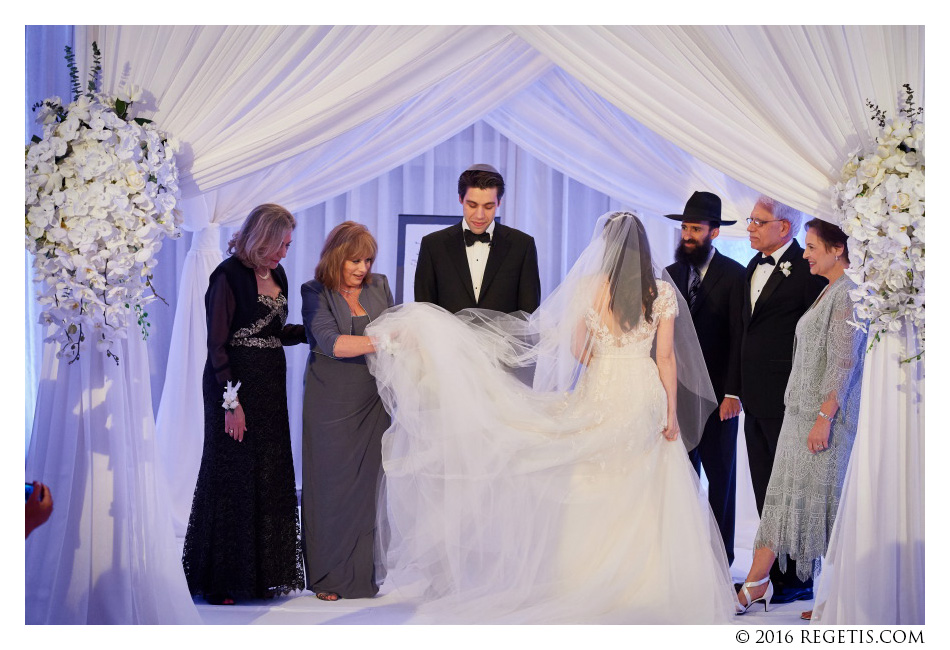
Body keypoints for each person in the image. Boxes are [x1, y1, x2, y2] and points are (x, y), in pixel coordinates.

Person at [367, 212, 737, 623]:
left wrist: (603, 364)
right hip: (644, 390)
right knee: (646, 478)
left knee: (592, 475)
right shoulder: (661, 292)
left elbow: (577, 346)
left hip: (604, 386)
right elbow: (665, 357)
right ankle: (648, 582)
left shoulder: (590, 288)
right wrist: (670, 409)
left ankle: (586, 576)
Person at [736, 219, 866, 619]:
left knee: (824, 512)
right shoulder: (829, 290)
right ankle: (757, 584)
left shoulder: (848, 294)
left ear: (837, 250)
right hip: (799, 416)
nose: (805, 253)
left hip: (822, 421)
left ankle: (834, 598)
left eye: (811, 247)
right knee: (780, 504)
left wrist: (825, 417)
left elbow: (843, 363)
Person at [182, 203, 306, 605]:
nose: (285, 252)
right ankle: (223, 579)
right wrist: (231, 403)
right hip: (231, 385)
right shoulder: (227, 275)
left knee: (268, 471)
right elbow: (217, 345)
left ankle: (263, 575)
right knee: (232, 474)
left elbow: (274, 332)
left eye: (288, 245)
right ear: (263, 237)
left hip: (270, 383)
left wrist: (315, 332)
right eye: (281, 244)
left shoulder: (279, 274)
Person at [300, 222, 394, 601]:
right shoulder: (315, 291)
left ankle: (361, 579)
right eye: (354, 259)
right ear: (337, 256)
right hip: (330, 399)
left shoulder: (379, 285)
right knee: (329, 487)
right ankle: (328, 577)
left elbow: (395, 331)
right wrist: (384, 340)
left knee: (367, 489)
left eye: (367, 259)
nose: (361, 268)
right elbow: (332, 342)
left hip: (373, 398)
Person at [740, 195, 827, 604]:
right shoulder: (749, 269)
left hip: (792, 401)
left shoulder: (809, 273)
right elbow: (745, 334)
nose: (750, 227)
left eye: (758, 221)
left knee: (792, 492)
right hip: (754, 400)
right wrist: (734, 389)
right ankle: (769, 574)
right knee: (764, 488)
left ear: (784, 228)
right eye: (750, 220)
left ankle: (798, 580)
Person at [663, 191, 745, 566]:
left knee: (720, 482)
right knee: (679, 480)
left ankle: (720, 560)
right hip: (677, 397)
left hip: (719, 400)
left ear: (714, 231)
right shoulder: (670, 274)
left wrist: (732, 393)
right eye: (684, 228)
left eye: (695, 228)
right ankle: (684, 558)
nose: (687, 235)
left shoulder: (736, 276)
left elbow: (739, 338)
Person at [414, 164, 541, 314]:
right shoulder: (433, 245)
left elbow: (529, 314)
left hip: (503, 338)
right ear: (461, 199)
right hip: (447, 338)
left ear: (499, 203)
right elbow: (424, 312)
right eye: (472, 205)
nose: (480, 215)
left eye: (488, 207)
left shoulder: (522, 245)